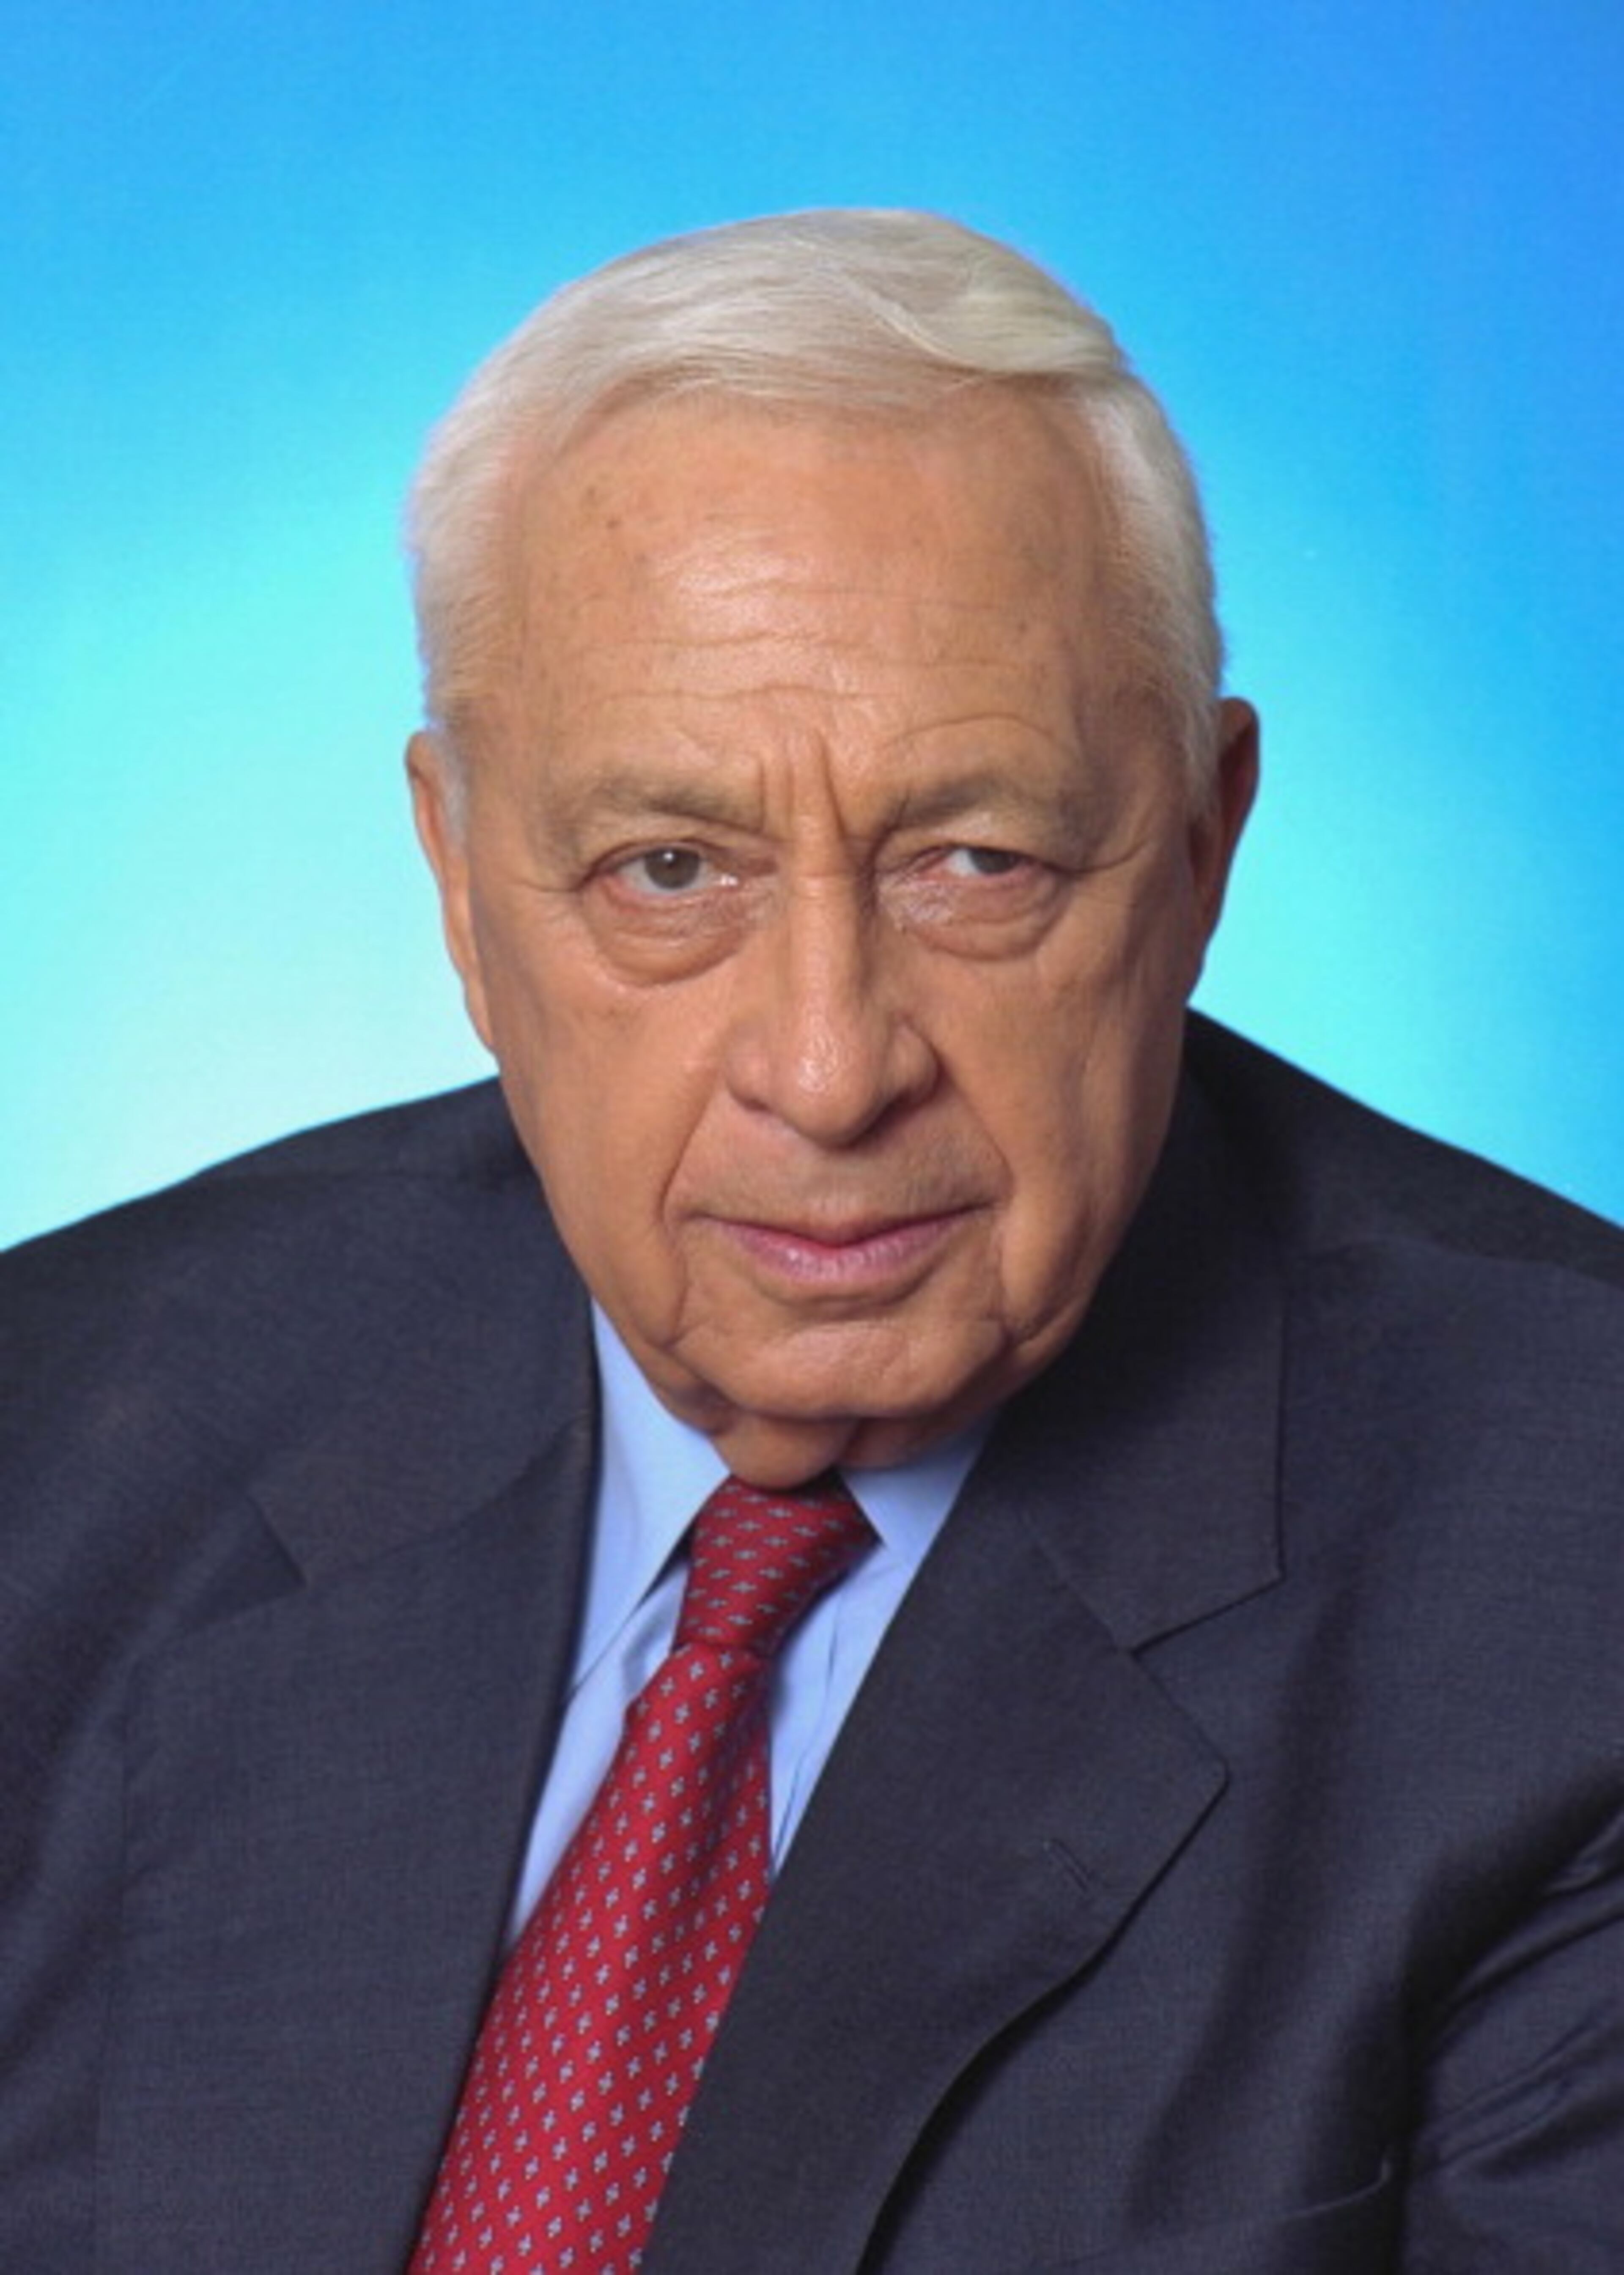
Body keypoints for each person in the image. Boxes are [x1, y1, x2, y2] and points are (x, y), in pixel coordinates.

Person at [3, 210, 1621, 2275]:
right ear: (459, 883)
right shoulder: (56, 1441)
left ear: (1205, 845)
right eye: (669, 868)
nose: (831, 1065)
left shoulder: (1576, 1583)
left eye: (976, 859)